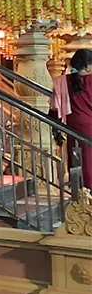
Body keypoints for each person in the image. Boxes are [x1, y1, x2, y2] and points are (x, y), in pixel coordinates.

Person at [60, 48, 92, 191]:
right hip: (90, 124)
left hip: (73, 125)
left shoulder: (64, 81)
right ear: (86, 65)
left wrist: (56, 125)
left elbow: (55, 106)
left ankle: (79, 192)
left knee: (77, 159)